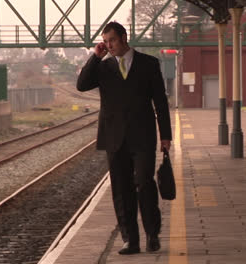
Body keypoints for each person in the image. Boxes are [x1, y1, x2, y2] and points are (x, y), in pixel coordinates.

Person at [76, 22, 172, 255]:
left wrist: (166, 135)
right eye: (105, 42)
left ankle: (152, 234)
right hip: (114, 137)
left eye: (112, 40)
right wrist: (94, 57)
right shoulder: (103, 66)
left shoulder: (149, 64)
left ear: (124, 37)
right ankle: (130, 239)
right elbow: (81, 85)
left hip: (143, 135)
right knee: (121, 189)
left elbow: (160, 101)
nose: (109, 45)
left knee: (145, 183)